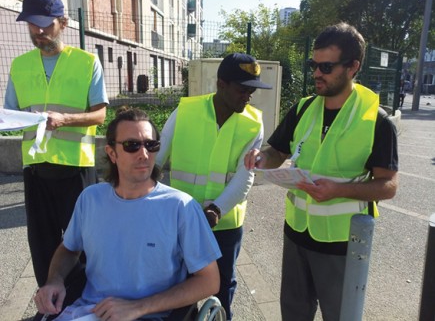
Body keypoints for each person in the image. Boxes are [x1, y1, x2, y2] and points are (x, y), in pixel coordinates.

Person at [245, 23, 398, 321]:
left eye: (326, 67)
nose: (317, 73)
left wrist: (338, 190)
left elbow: (389, 185)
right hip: (297, 235)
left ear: (353, 67)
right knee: (293, 313)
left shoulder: (376, 120)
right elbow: (277, 152)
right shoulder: (303, 108)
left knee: (340, 315)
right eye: (314, 65)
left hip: (341, 244)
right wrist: (260, 158)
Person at [34, 107, 222, 321]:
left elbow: (209, 280)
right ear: (112, 153)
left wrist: (137, 308)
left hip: (149, 316)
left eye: (151, 145)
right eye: (132, 145)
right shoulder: (90, 199)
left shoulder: (181, 207)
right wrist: (54, 280)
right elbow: (69, 249)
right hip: (88, 312)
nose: (144, 154)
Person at [4, 0, 108, 312]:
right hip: (36, 170)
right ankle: (51, 305)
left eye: (44, 24)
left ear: (62, 23)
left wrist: (65, 120)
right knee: (43, 246)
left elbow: (100, 115)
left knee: (85, 245)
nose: (38, 32)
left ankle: (90, 304)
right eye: (31, 26)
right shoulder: (20, 65)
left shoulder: (87, 61)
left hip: (76, 169)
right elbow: (9, 114)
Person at [155, 53, 272, 320]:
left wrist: (216, 211)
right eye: (242, 90)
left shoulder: (252, 122)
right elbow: (158, 157)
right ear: (221, 84)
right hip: (181, 220)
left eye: (251, 91)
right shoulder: (185, 110)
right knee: (178, 288)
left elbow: (246, 176)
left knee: (221, 288)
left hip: (225, 224)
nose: (248, 97)